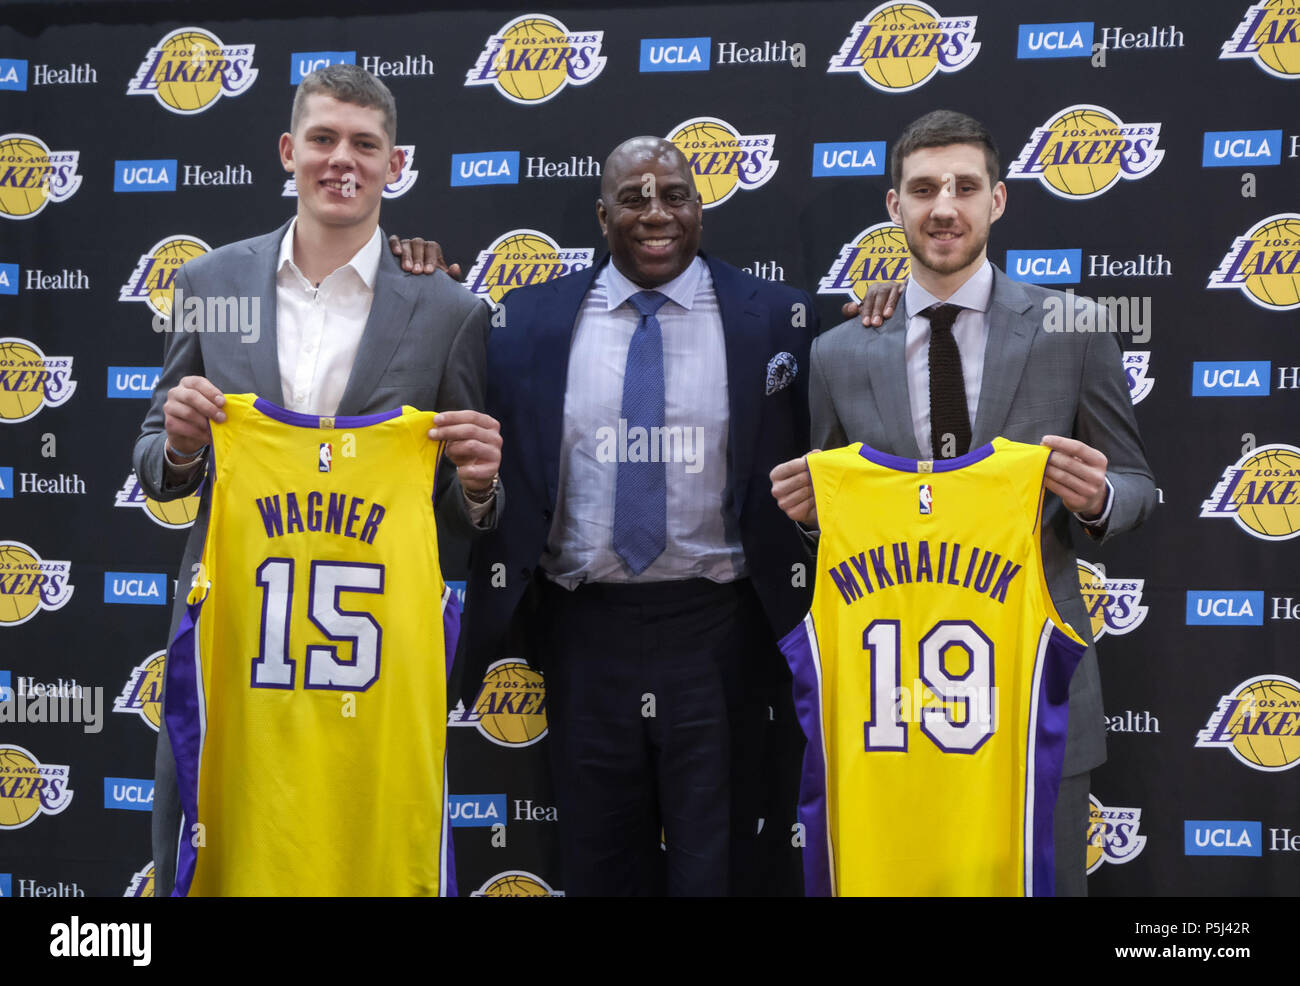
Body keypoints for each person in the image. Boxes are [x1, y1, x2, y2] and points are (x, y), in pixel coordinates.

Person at [133, 63, 502, 896]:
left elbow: (459, 511)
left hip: (368, 658)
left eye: (365, 145)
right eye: (324, 138)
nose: (344, 161)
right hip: (235, 637)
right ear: (287, 149)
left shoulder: (450, 312)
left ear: (395, 164)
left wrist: (479, 485)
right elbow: (158, 468)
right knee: (214, 852)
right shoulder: (209, 284)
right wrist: (184, 446)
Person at [769, 109, 1156, 895]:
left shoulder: (1073, 327)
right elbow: (840, 526)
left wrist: (1099, 498)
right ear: (893, 206)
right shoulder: (841, 351)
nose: (944, 207)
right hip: (891, 709)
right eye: (923, 189)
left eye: (965, 187)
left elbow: (1141, 485)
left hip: (1032, 690)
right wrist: (813, 522)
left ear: (998, 201)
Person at [461, 136, 815, 895]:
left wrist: (885, 300)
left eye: (675, 195)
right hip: (584, 632)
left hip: (720, 631)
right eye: (633, 198)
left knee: (717, 864)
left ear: (699, 206)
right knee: (596, 862)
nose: (656, 212)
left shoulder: (778, 320)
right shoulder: (525, 322)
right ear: (601, 215)